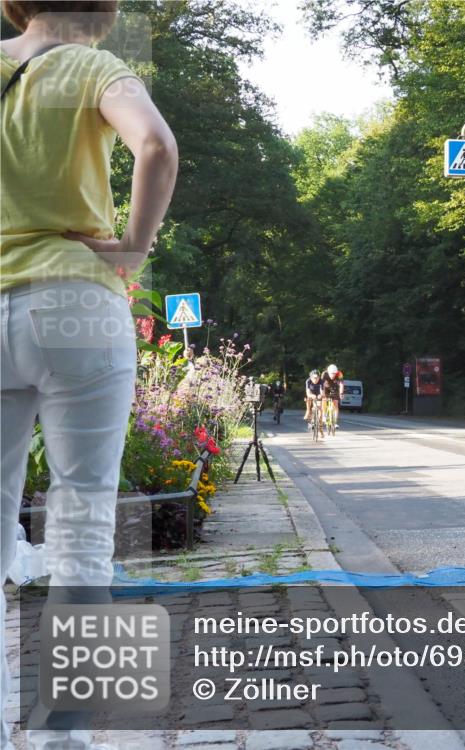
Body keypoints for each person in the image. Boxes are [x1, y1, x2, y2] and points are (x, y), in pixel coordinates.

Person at [0, 2, 178, 749]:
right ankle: (63, 735)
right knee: (84, 523)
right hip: (76, 300)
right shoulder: (94, 66)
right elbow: (157, 147)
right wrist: (133, 247)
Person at [321, 364, 344, 434]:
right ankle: (324, 415)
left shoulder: (339, 374)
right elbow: (321, 385)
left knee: (336, 404)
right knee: (324, 400)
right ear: (328, 372)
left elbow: (341, 384)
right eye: (331, 373)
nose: (333, 375)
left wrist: (341, 393)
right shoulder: (324, 374)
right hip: (326, 388)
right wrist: (322, 394)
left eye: (334, 374)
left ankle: (335, 422)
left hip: (334, 388)